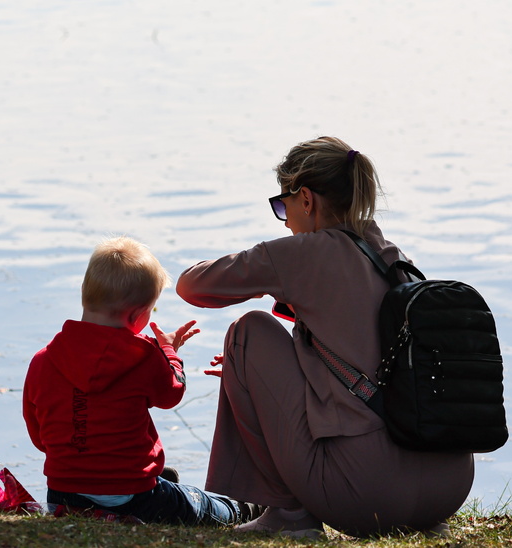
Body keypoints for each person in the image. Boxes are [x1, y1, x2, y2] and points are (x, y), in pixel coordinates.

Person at [176, 136, 473, 538]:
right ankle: (419, 516)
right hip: (448, 487)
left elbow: (192, 286)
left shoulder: (304, 252)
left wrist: (270, 270)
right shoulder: (389, 255)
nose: (284, 221)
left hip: (367, 494)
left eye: (283, 206)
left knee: (248, 333)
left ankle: (290, 517)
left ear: (306, 200)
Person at [22, 236, 253, 526]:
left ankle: (147, 482)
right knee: (200, 504)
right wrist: (168, 352)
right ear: (137, 316)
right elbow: (172, 393)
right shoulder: (142, 357)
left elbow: (39, 436)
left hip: (63, 495)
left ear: (84, 292)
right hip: (132, 496)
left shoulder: (43, 360)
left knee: (161, 485)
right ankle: (249, 509)